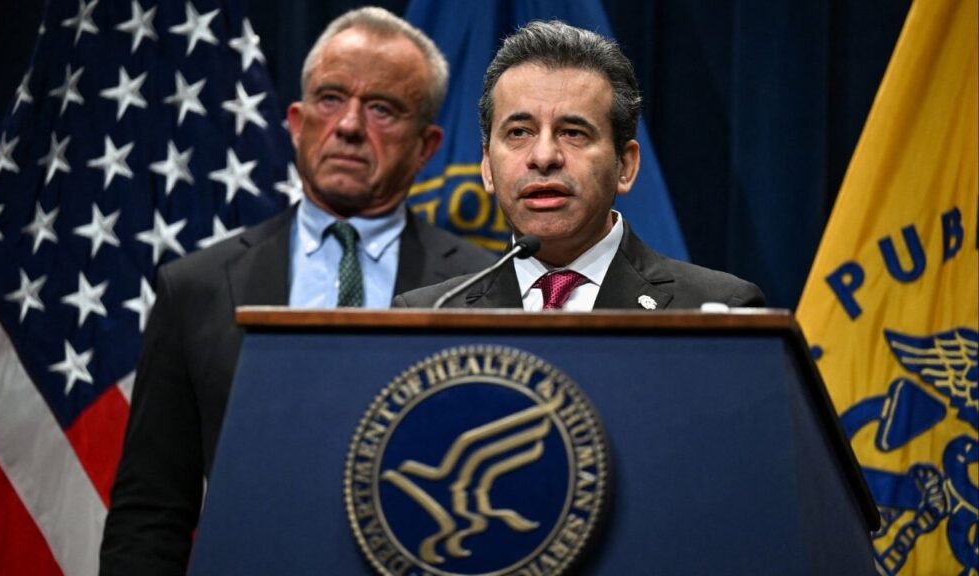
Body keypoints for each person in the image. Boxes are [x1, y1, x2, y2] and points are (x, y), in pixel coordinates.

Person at [100, 8, 495, 573]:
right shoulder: (198, 288)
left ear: (426, 146)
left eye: (382, 109)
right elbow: (150, 513)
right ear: (296, 121)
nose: (350, 126)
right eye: (330, 99)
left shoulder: (484, 287)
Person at [394, 21, 763, 310]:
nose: (543, 157)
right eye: (519, 132)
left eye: (573, 133)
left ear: (626, 166)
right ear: (487, 166)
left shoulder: (718, 309)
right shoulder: (428, 315)